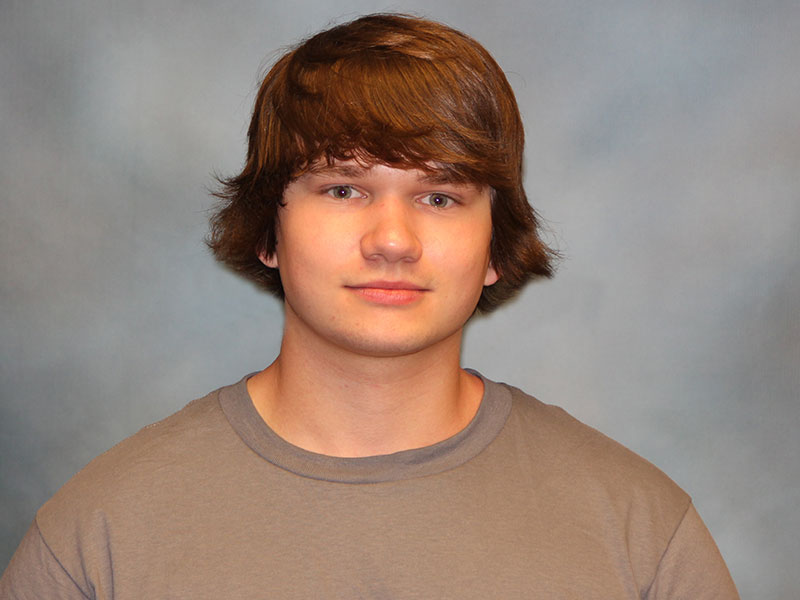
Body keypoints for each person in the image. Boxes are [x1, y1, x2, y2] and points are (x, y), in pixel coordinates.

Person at [1, 13, 739, 599]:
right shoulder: (100, 536)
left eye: (440, 196)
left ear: (494, 246)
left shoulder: (640, 534)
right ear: (269, 231)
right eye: (343, 189)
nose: (392, 240)